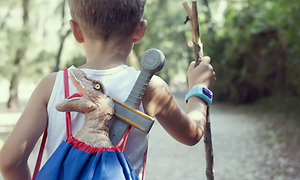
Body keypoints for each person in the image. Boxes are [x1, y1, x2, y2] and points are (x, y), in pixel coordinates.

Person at [0, 0, 216, 179]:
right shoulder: (151, 87)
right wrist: (199, 89)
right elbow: (193, 134)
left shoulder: (52, 85)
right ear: (140, 31)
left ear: (75, 30)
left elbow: (9, 163)